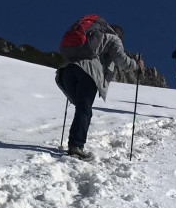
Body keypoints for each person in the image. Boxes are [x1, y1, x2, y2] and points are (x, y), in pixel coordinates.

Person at [56, 15, 143, 159]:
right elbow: (121, 59)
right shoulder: (113, 39)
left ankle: (74, 143)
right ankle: (76, 146)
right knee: (84, 109)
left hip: (67, 71)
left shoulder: (92, 36)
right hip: (87, 73)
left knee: (81, 108)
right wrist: (136, 65)